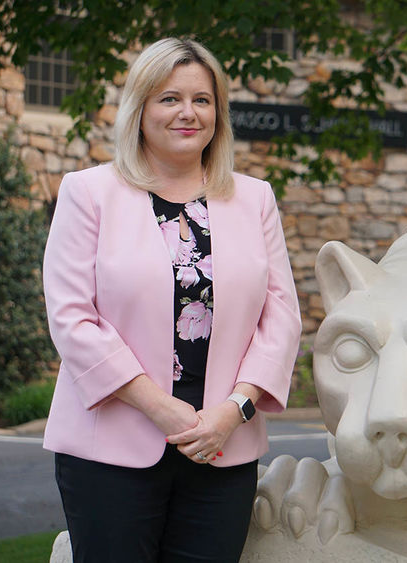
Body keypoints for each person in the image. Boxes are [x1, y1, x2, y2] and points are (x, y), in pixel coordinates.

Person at [42, 37, 302, 562]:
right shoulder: (88, 192)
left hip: (222, 446)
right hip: (110, 450)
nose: (188, 112)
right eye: (169, 98)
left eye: (202, 100)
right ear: (140, 109)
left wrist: (234, 410)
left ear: (218, 114)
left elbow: (282, 319)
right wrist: (162, 409)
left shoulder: (255, 198)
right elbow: (73, 318)